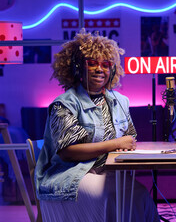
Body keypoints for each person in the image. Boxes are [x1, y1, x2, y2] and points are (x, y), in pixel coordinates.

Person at [35, 29, 160, 222]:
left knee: (141, 195)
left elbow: (129, 140)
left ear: (112, 70)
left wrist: (126, 144)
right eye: (91, 64)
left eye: (105, 64)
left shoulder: (121, 101)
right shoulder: (65, 103)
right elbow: (68, 152)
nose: (99, 69)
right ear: (77, 68)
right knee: (111, 196)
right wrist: (115, 143)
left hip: (108, 172)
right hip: (69, 175)